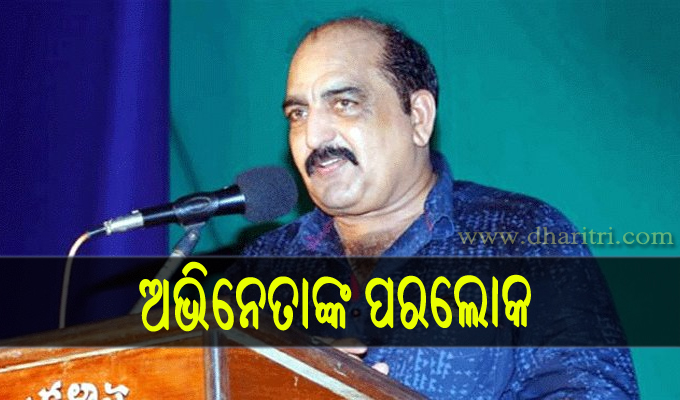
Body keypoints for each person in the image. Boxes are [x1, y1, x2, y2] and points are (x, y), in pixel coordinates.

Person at [242, 17, 639, 398]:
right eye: (298, 114)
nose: (313, 136)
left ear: (418, 117)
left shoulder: (521, 236)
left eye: (345, 103)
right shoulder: (263, 264)